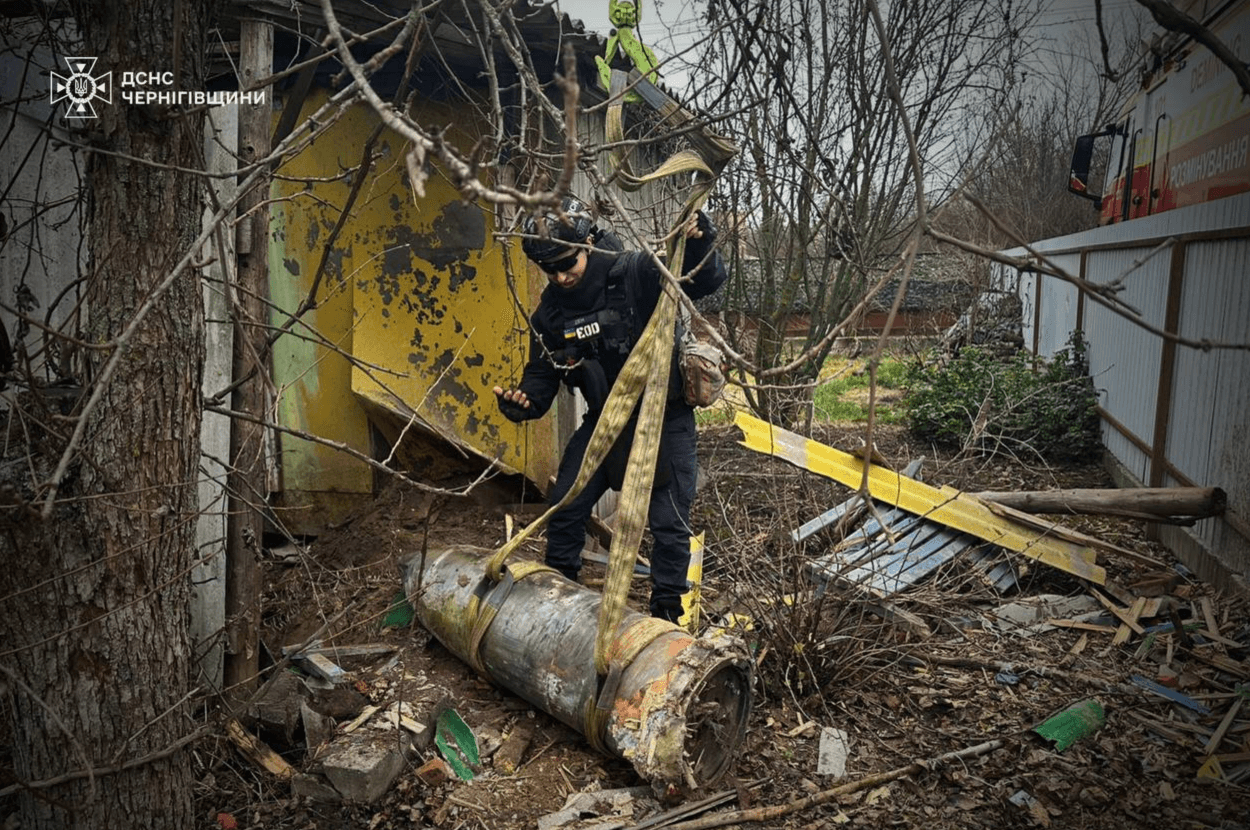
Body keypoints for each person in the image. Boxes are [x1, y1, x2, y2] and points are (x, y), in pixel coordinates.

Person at [492, 196, 726, 622]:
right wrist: (522, 402)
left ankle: (666, 618)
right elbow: (541, 378)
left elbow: (701, 280)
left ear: (589, 244)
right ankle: (558, 604)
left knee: (669, 526)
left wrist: (698, 240)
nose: (561, 277)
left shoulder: (634, 273)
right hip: (603, 424)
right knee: (564, 508)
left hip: (664, 420)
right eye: (551, 270)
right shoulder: (549, 315)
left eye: (569, 264)